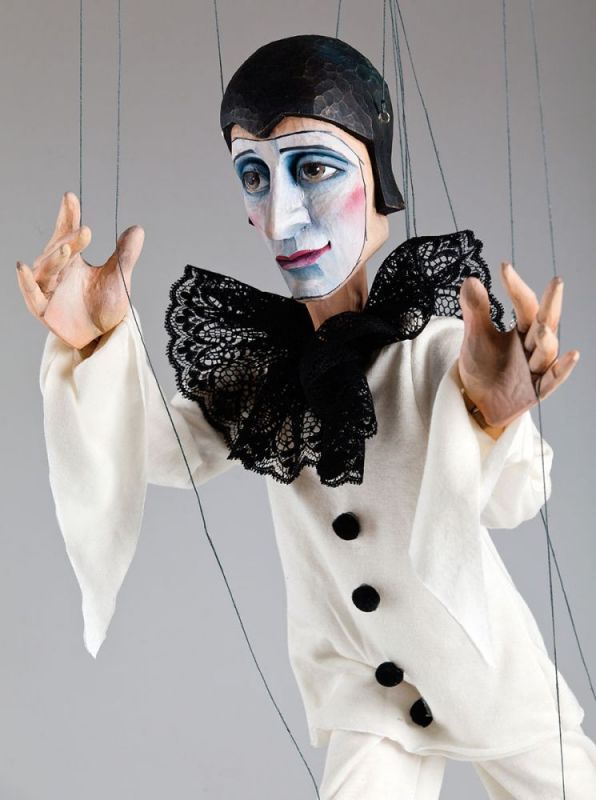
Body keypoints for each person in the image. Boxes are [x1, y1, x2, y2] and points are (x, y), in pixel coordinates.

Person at [16, 34, 595, 800]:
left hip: (487, 678)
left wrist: (490, 415)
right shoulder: (267, 372)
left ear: (378, 179)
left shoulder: (435, 351)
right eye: (253, 176)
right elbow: (162, 451)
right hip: (367, 694)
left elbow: (514, 497)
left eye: (314, 169)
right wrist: (95, 347)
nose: (282, 214)